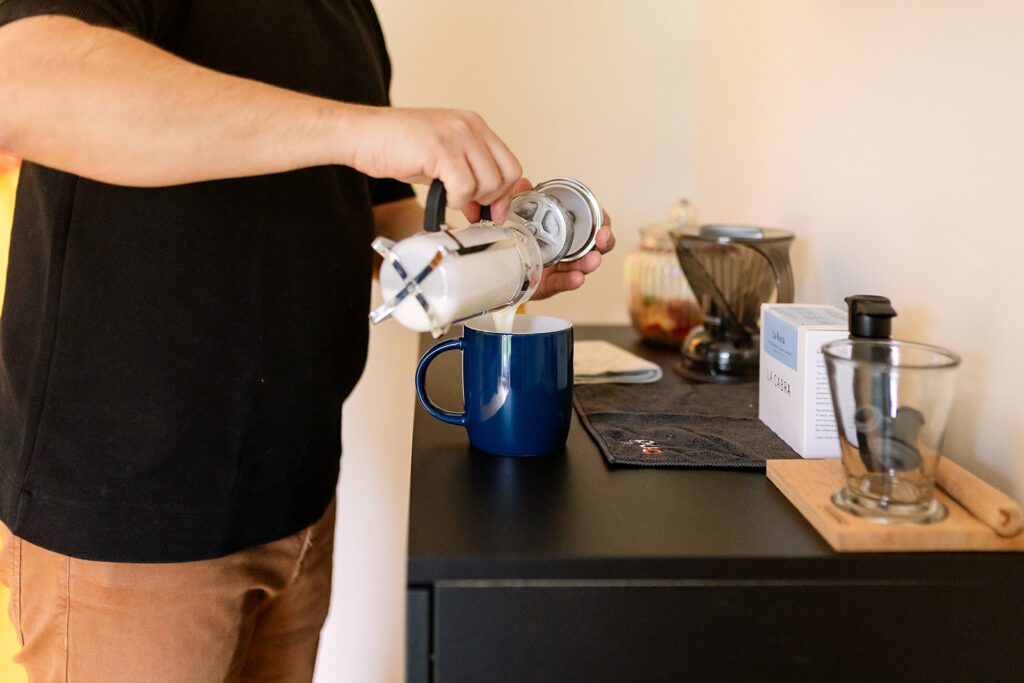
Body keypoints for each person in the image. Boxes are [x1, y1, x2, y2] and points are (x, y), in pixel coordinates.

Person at [0, 1, 614, 681]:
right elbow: (22, 82)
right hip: (132, 518)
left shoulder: (347, 9)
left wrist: (501, 263)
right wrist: (361, 130)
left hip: (298, 495)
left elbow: (374, 210)